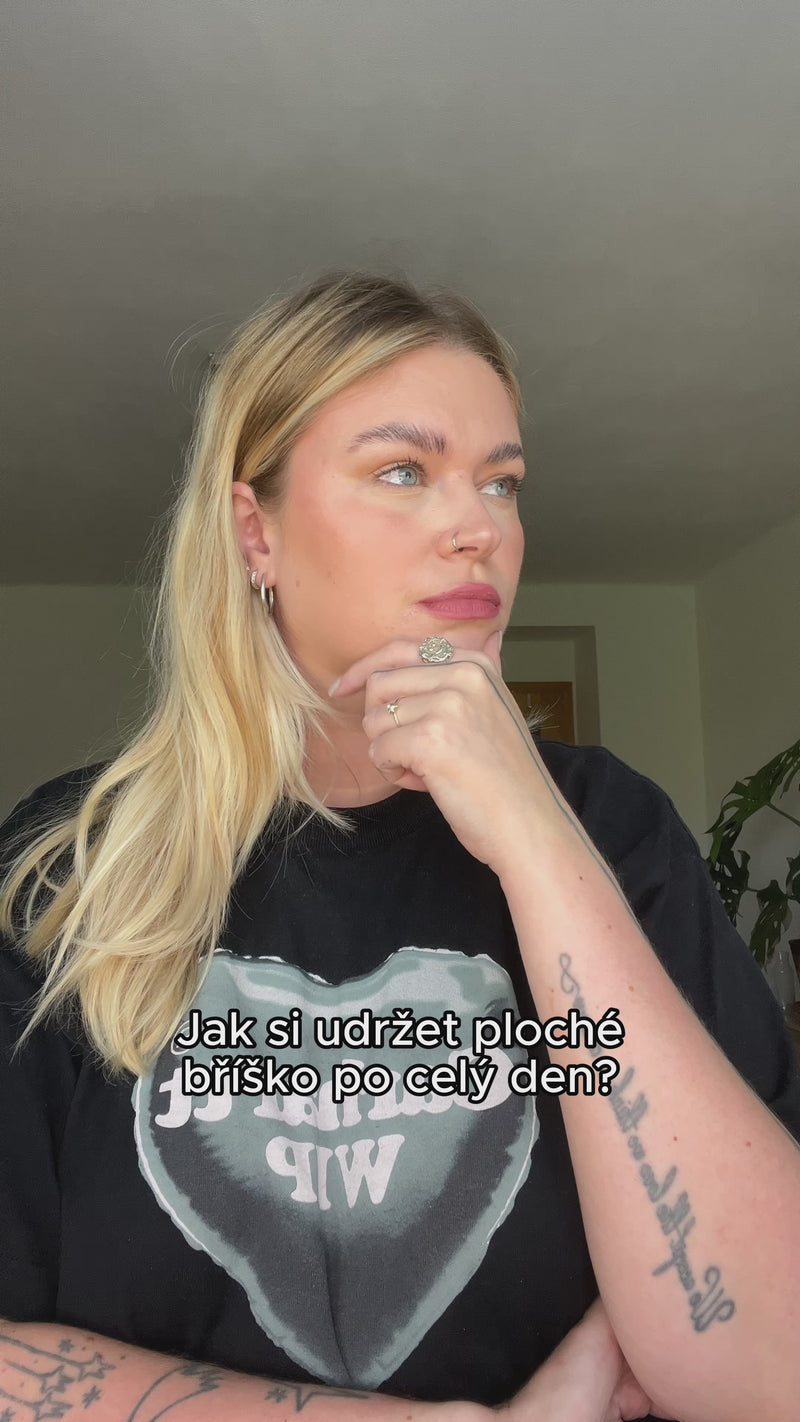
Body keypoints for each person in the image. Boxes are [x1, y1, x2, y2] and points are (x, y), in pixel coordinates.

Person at [1, 270, 798, 1422]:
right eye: (401, 472)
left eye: (501, 483)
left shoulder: (612, 831)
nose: (479, 529)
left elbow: (768, 1363)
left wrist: (537, 838)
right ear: (255, 533)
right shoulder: (66, 868)